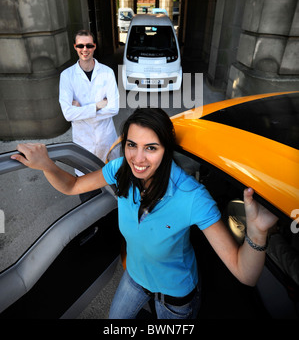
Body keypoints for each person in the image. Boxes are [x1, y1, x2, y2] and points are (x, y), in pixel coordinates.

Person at [11, 108, 278, 320]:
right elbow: (72, 185)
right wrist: (46, 165)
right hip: (134, 278)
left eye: (151, 147)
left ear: (166, 150)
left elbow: (245, 273)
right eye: (131, 145)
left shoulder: (193, 197)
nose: (138, 159)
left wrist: (257, 231)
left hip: (174, 297)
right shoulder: (120, 169)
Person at [59, 29, 119, 199]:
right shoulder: (67, 76)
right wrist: (98, 106)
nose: (84, 49)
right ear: (75, 47)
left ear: (94, 46)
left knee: (113, 188)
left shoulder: (107, 72)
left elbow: (114, 108)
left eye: (88, 45)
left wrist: (80, 110)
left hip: (106, 139)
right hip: (83, 142)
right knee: (87, 193)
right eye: (80, 45)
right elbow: (67, 114)